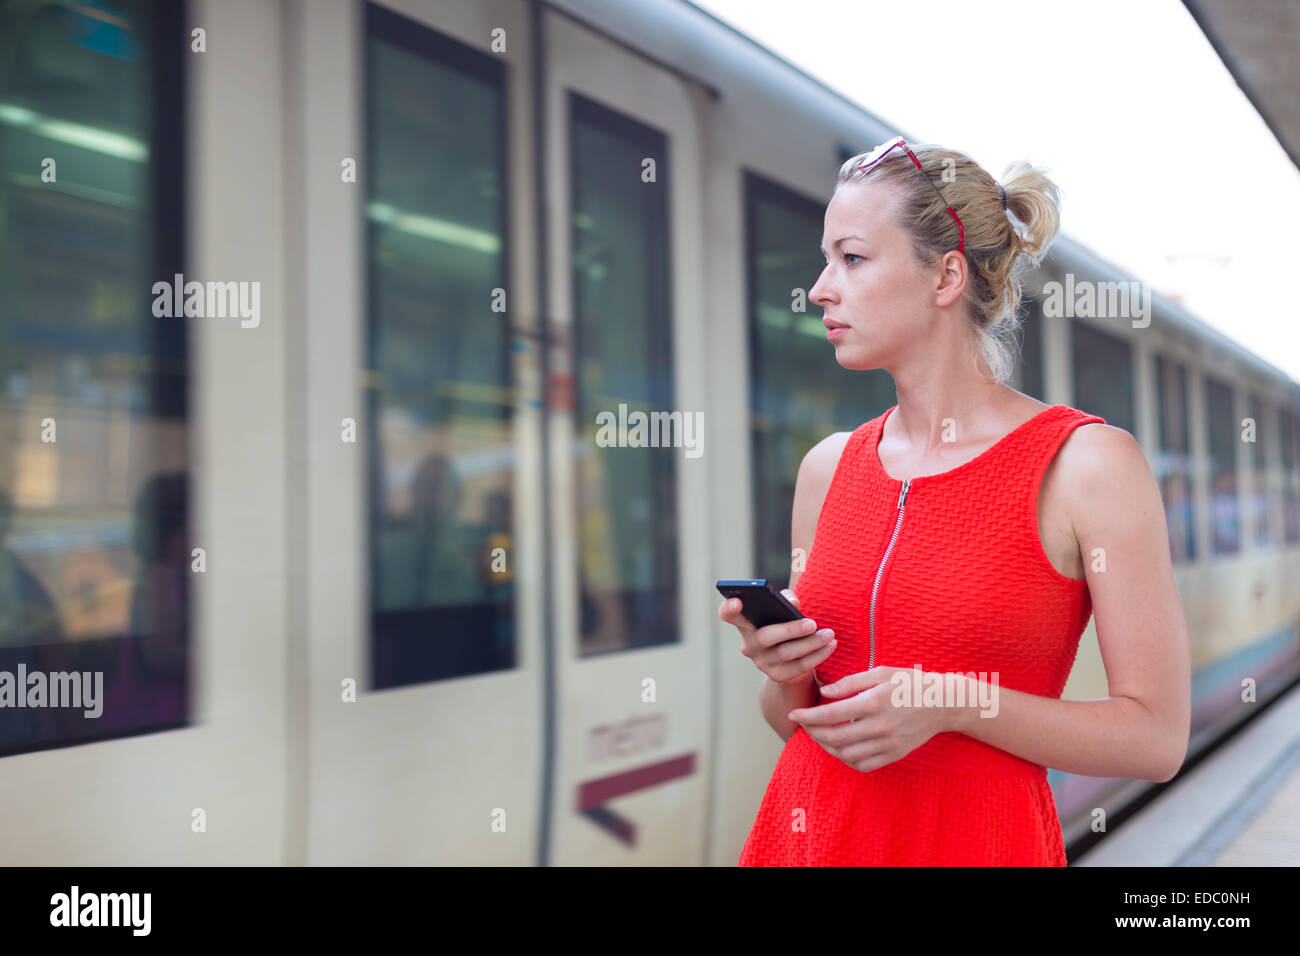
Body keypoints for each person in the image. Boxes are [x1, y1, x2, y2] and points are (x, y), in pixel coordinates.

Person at [720, 138, 1190, 866]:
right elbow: (801, 723)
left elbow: (1156, 739)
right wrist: (786, 670)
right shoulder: (828, 468)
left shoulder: (1087, 465)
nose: (819, 287)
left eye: (851, 258)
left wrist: (954, 703)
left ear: (945, 276)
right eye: (825, 259)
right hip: (805, 836)